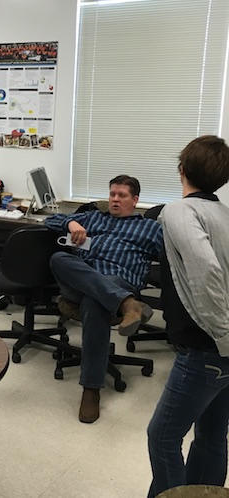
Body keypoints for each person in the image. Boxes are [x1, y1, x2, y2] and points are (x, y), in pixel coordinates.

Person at [147, 135, 229, 497]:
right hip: (223, 349)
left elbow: (206, 273)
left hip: (207, 347)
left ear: (181, 169)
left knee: (162, 435)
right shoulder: (223, 213)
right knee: (212, 435)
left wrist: (224, 338)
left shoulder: (179, 210)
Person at [45, 175, 163, 423]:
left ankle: (91, 389)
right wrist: (71, 225)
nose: (115, 200)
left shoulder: (150, 229)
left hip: (119, 280)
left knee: (95, 301)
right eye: (112, 194)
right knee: (59, 258)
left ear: (135, 200)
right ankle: (127, 304)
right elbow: (50, 219)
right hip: (80, 281)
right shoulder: (94, 217)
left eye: (122, 195)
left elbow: (175, 252)